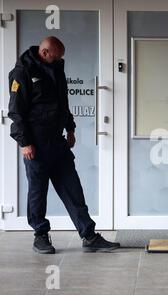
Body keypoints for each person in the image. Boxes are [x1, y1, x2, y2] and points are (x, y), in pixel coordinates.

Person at [8, 36, 120, 254]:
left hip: (57, 142)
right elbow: (16, 112)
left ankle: (88, 236)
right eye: (57, 56)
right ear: (44, 52)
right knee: (38, 192)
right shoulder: (22, 73)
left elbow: (63, 103)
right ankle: (40, 236)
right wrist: (25, 143)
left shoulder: (56, 69)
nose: (60, 60)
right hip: (36, 145)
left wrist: (70, 128)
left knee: (73, 189)